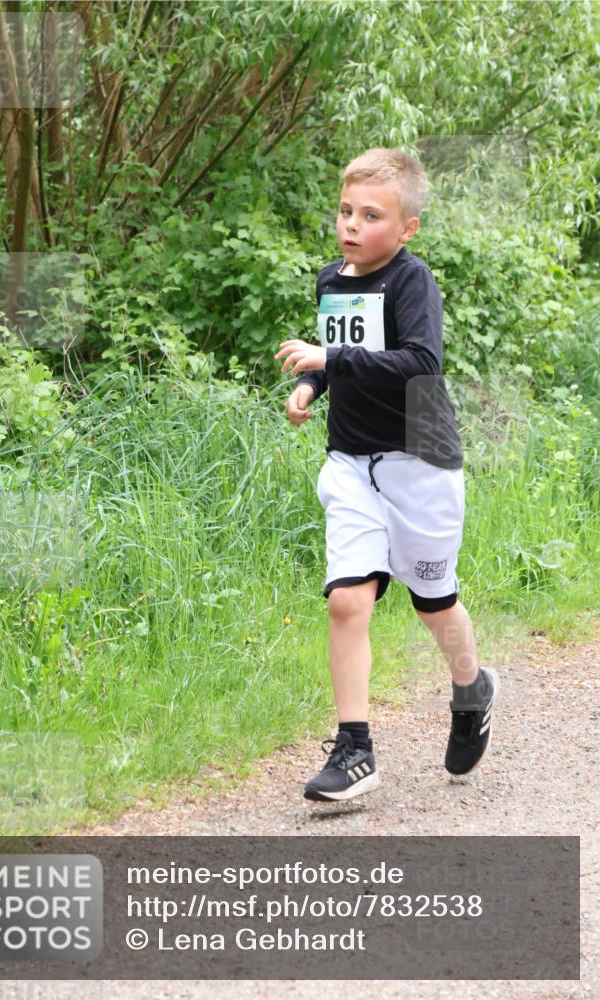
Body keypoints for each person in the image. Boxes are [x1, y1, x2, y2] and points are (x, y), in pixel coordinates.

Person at [274, 147, 499, 802]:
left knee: (434, 604)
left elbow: (418, 361)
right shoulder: (330, 278)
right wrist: (312, 386)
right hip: (351, 459)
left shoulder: (410, 280)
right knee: (347, 598)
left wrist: (330, 359)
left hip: (421, 455)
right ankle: (353, 750)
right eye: (345, 210)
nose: (351, 224)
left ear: (405, 230)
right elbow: (339, 357)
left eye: (371, 215)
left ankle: (470, 687)